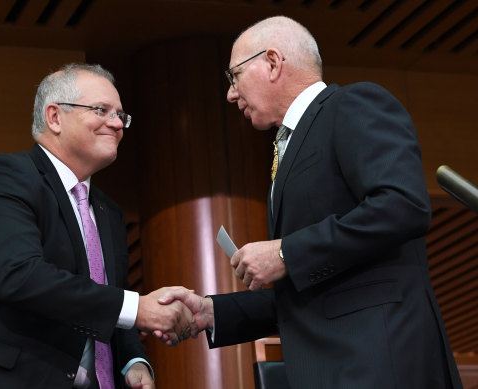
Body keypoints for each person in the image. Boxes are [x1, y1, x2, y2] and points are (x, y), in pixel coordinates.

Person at [159, 16, 464, 388]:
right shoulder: (287, 147)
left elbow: (402, 205)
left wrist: (286, 252)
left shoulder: (353, 103)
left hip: (380, 365)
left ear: (272, 63)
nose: (230, 93)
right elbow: (313, 291)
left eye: (234, 76)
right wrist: (211, 312)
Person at [0, 63, 197, 389]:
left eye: (121, 115)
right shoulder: (6, 175)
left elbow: (105, 301)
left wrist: (133, 359)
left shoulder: (109, 212)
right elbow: (18, 275)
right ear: (54, 117)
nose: (117, 123)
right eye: (101, 110)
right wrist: (138, 308)